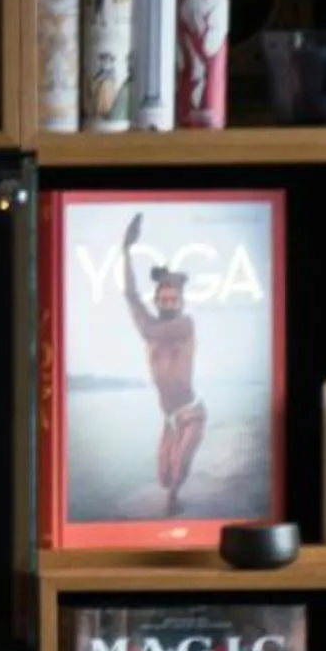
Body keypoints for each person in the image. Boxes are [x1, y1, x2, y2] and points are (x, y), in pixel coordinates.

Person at [119, 210, 204, 518]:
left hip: (193, 413)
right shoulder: (151, 325)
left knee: (178, 469)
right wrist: (125, 251)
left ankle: (173, 502)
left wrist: (146, 317)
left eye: (173, 299)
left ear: (180, 302)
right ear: (157, 302)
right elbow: (130, 294)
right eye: (163, 299)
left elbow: (147, 328)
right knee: (163, 477)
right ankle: (173, 494)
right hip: (168, 417)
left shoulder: (185, 325)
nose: (169, 303)